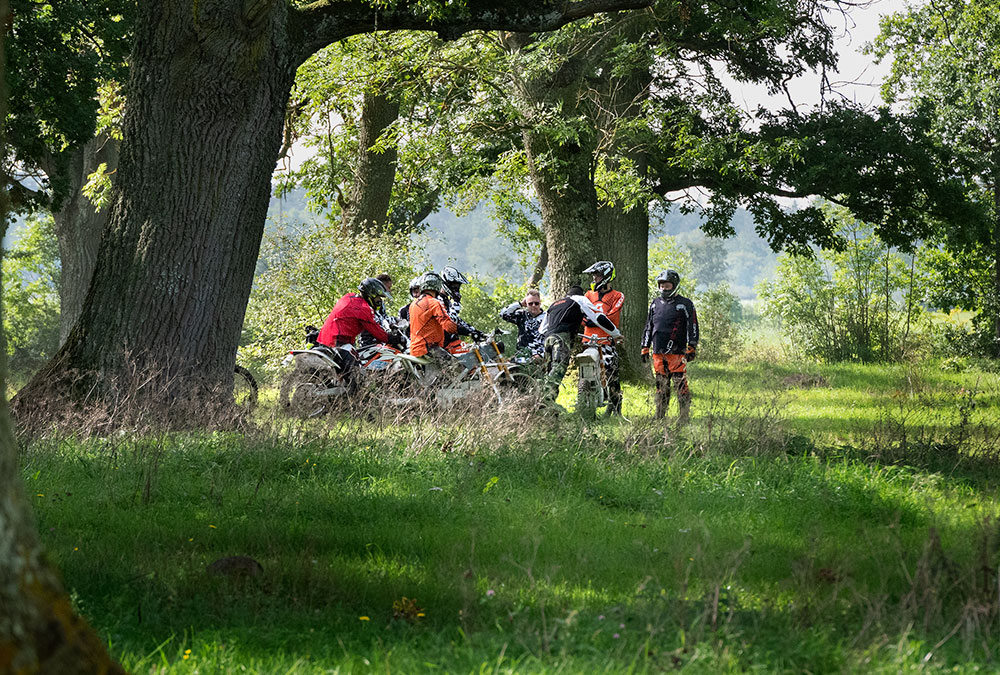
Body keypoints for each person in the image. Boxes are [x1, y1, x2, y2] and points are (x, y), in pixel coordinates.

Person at [539, 285, 620, 404]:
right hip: (562, 338)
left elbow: (541, 329)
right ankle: (545, 401)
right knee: (559, 369)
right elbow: (598, 317)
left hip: (547, 339)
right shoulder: (579, 299)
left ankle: (547, 403)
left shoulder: (554, 304)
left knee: (549, 371)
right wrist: (615, 333)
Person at [640, 270, 699, 424]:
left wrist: (692, 345)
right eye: (661, 285)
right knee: (661, 385)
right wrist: (644, 346)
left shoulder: (685, 303)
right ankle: (659, 416)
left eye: (666, 285)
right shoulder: (655, 303)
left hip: (677, 352)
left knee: (680, 385)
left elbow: (693, 326)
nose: (663, 288)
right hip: (658, 351)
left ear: (674, 285)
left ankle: (684, 417)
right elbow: (649, 326)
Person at [582, 260, 625, 415]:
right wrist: (588, 320)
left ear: (606, 276)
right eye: (594, 275)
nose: (594, 278)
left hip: (606, 340)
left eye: (597, 275)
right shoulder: (588, 295)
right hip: (588, 340)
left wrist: (593, 320)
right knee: (586, 373)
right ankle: (585, 404)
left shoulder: (617, 295)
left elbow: (611, 316)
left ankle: (615, 407)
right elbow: (582, 314)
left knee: (611, 373)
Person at [407, 272, 460, 367]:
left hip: (414, 348)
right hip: (429, 348)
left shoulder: (413, 305)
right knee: (457, 367)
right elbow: (448, 326)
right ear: (437, 286)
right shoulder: (434, 303)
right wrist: (466, 331)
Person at [440, 265, 487, 347]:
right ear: (447, 283)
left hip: (452, 342)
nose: (456, 289)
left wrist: (476, 332)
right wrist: (456, 302)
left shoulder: (446, 300)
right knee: (474, 353)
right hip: (443, 344)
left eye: (458, 286)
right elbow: (451, 321)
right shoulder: (438, 300)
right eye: (454, 285)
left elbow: (458, 321)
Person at [500, 289, 545, 359]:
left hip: (539, 356)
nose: (534, 305)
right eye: (530, 303)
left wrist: (542, 355)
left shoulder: (547, 317)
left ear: (540, 303)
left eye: (536, 303)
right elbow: (503, 314)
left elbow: (552, 338)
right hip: (521, 355)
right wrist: (520, 304)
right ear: (526, 304)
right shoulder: (522, 315)